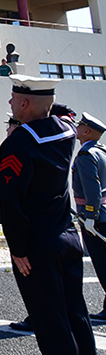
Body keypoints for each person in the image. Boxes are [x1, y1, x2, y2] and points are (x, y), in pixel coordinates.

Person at [0, 76, 94, 354]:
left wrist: (17, 248)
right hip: (67, 236)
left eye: (14, 98)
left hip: (38, 245)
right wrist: (46, 102)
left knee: (51, 323)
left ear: (25, 103)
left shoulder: (19, 143)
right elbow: (66, 112)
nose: (10, 102)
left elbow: (10, 200)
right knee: (76, 315)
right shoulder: (66, 130)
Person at [72, 112, 106, 321]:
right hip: (104, 214)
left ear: (86, 131)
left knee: (102, 265)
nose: (76, 128)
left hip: (95, 218)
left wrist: (91, 216)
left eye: (79, 126)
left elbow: (92, 188)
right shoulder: (102, 151)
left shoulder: (86, 155)